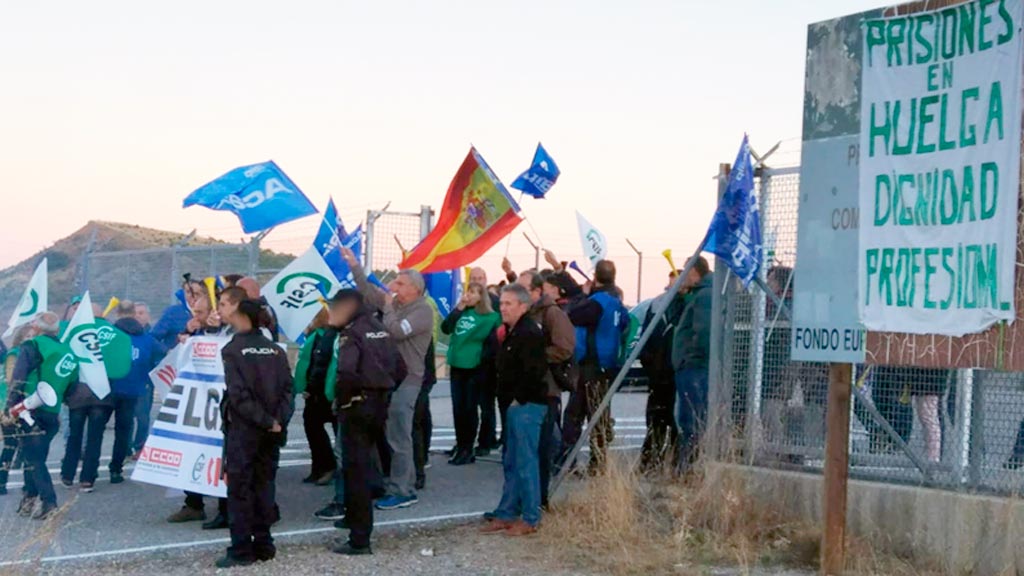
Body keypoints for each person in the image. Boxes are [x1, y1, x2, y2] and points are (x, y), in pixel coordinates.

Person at [342, 247, 432, 511]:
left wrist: (389, 307)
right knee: (389, 433)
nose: (394, 286)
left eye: (400, 283)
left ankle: (403, 489)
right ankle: (399, 482)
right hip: (390, 379)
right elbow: (370, 294)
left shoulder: (422, 311)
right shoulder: (397, 305)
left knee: (399, 436)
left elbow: (395, 331)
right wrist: (355, 267)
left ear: (415, 288)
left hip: (409, 381)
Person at [215, 298, 293, 568]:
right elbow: (288, 390)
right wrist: (277, 420)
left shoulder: (232, 351)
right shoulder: (276, 350)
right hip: (272, 430)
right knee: (265, 485)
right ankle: (264, 543)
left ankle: (241, 549)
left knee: (239, 489)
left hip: (245, 431)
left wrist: (264, 420)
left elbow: (238, 396)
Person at [327, 289, 406, 555]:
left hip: (358, 406)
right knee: (361, 465)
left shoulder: (351, 333)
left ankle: (360, 538)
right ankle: (353, 518)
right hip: (378, 404)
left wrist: (345, 400)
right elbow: (400, 368)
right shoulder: (379, 328)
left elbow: (347, 372)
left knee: (355, 469)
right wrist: (384, 390)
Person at [480, 284, 548, 537]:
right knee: (511, 461)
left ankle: (531, 518)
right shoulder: (512, 331)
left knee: (525, 463)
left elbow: (534, 371)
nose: (503, 308)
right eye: (502, 303)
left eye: (509, 304)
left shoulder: (529, 332)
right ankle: (506, 513)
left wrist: (519, 399)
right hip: (512, 405)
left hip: (527, 406)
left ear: (523, 305)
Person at [5, 312, 78, 520]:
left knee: (34, 459)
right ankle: (28, 499)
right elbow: (72, 385)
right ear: (57, 330)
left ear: (36, 329)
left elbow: (18, 379)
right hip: (52, 413)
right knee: (34, 456)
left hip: (30, 409)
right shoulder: (69, 352)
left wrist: (10, 407)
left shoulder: (32, 346)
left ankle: (49, 502)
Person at [563, 259, 629, 474]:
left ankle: (567, 461)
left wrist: (584, 294)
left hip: (591, 364)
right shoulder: (617, 302)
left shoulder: (597, 302)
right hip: (608, 364)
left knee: (575, 414)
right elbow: (626, 325)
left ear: (596, 278)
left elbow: (572, 315)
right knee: (599, 414)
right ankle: (598, 463)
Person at [526, 272, 575, 507]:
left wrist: (536, 357)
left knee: (546, 444)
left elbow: (565, 348)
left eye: (525, 289)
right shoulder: (525, 314)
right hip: (525, 388)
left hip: (547, 387)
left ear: (537, 291)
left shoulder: (552, 313)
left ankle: (541, 498)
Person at [440, 282, 501, 465]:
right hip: (457, 365)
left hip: (475, 367)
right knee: (458, 408)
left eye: (474, 292)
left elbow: (494, 343)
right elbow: (446, 328)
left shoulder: (491, 317)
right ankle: (460, 444)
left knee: (469, 408)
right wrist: (459, 308)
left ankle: (468, 448)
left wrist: (483, 360)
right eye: (469, 291)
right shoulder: (463, 312)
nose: (470, 295)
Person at [107, 300, 164, 484]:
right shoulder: (146, 337)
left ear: (117, 314)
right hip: (135, 388)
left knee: (96, 429)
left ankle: (87, 473)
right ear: (133, 313)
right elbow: (163, 354)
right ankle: (116, 469)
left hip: (108, 388)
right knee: (124, 429)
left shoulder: (109, 335)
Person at [638, 272, 686, 473]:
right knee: (659, 419)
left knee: (669, 420)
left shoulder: (684, 303)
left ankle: (667, 463)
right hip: (663, 373)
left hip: (672, 372)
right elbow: (646, 340)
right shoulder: (659, 304)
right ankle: (653, 463)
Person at [672, 256, 713, 473]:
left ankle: (689, 467)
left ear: (694, 272)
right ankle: (688, 466)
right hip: (691, 366)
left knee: (692, 419)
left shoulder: (705, 296)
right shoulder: (696, 295)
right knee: (688, 418)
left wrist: (691, 356)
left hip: (695, 368)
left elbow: (704, 332)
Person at [293, 310, 339, 487]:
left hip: (321, 392)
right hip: (317, 391)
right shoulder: (316, 336)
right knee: (315, 430)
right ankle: (321, 467)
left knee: (316, 429)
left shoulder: (325, 337)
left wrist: (310, 388)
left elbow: (318, 365)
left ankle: (327, 466)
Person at [0, 326, 32, 495]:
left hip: (25, 404)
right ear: (20, 337)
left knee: (27, 444)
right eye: (27, 335)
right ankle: (1, 481)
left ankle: (29, 484)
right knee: (11, 445)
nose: (31, 338)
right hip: (10, 404)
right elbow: (13, 381)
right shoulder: (15, 354)